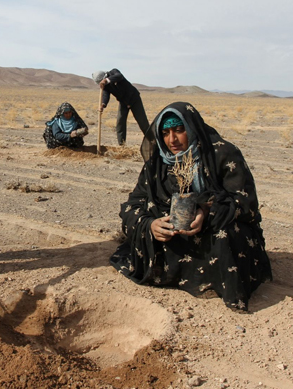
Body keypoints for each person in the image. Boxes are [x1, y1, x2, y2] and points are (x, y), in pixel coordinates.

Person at [110, 102, 272, 311]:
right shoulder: (158, 161)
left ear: (192, 127)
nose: (172, 140)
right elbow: (133, 204)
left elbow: (245, 202)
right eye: (166, 133)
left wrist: (206, 210)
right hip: (176, 232)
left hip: (213, 227)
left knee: (225, 237)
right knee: (152, 235)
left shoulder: (222, 154)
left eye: (179, 130)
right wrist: (151, 225)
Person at [92, 69, 150, 145]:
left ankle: (152, 140)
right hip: (123, 102)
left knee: (142, 121)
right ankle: (122, 145)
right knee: (120, 123)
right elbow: (105, 95)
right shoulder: (105, 86)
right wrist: (103, 104)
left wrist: (106, 80)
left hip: (134, 99)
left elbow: (119, 76)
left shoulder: (113, 72)